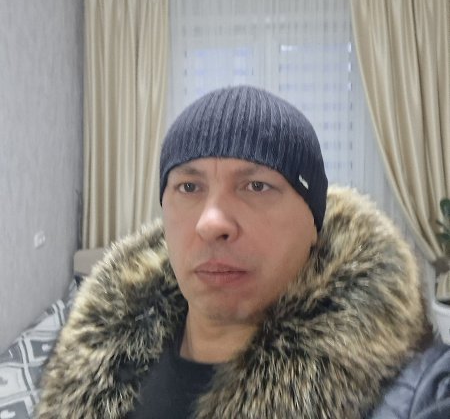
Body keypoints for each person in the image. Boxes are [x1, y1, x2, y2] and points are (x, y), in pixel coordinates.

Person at [36, 86, 450, 418]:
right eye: (189, 187)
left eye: (256, 186)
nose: (211, 222)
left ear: (315, 225)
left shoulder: (417, 392)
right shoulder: (94, 365)